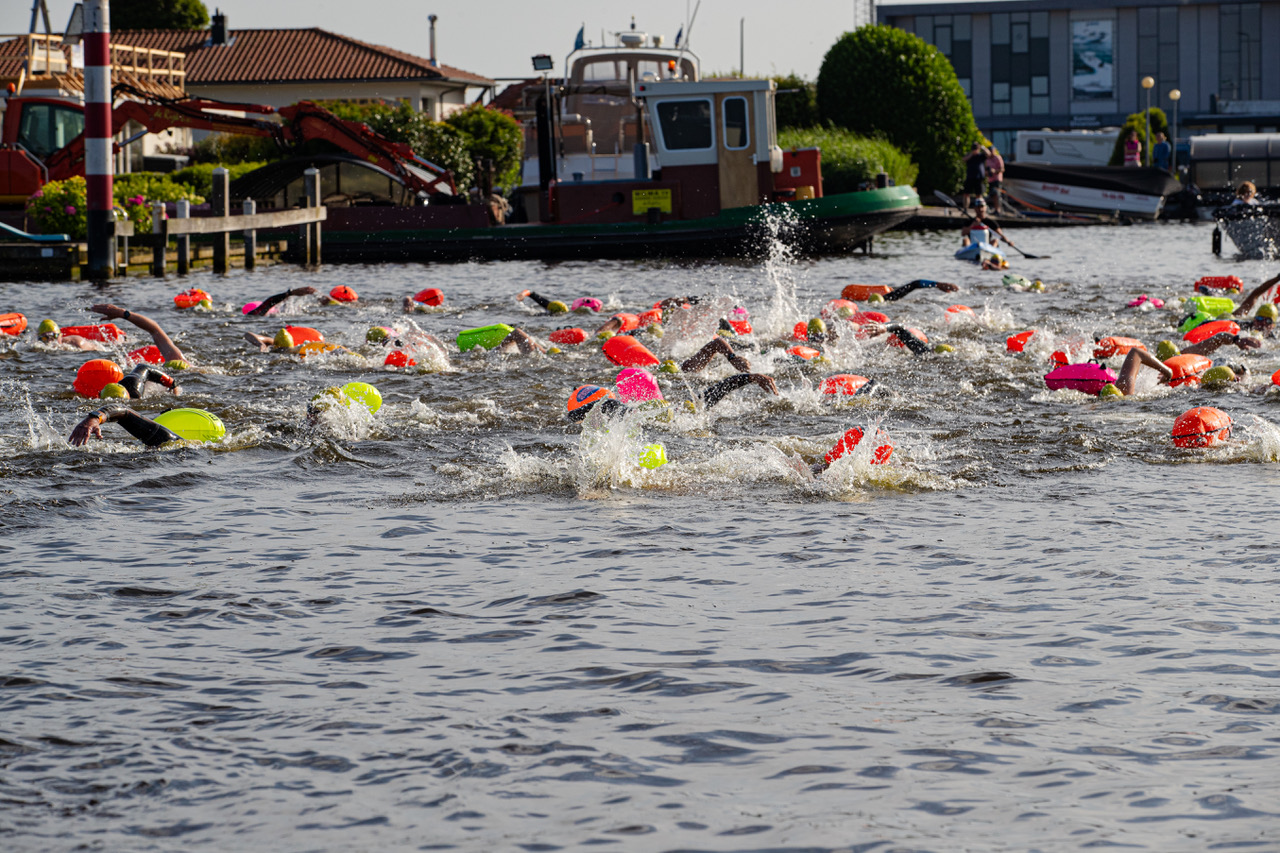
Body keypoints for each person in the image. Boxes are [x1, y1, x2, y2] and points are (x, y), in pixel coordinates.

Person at [1111, 332, 1260, 396]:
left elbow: (1136, 352)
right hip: (1194, 380)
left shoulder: (1124, 391)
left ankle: (1242, 373)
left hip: (1193, 375)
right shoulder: (1127, 391)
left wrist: (1236, 340)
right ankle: (1244, 374)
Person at [68, 406, 224, 447]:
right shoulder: (168, 440)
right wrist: (95, 418)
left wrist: (94, 418)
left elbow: (124, 411)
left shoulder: (169, 442)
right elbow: (123, 411)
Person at [90, 304, 187, 363]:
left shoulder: (181, 364)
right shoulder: (179, 361)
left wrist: (122, 313)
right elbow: (154, 329)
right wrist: (123, 313)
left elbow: (154, 329)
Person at [35, 319, 106, 351]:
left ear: (60, 335)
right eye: (45, 338)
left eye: (54, 337)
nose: (50, 341)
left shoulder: (76, 344)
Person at [243, 286, 318, 316]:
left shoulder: (276, 312)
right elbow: (269, 303)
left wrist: (290, 293)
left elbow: (269, 303)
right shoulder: (253, 315)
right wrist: (290, 293)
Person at [961, 142, 987, 211]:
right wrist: (971, 155)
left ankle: (980, 209)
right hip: (970, 177)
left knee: (978, 194)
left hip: (978, 178)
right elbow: (963, 159)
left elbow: (989, 154)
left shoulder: (980, 156)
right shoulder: (969, 155)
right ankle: (965, 209)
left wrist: (983, 148)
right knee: (966, 193)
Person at [984, 146, 1006, 213]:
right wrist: (987, 173)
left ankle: (998, 210)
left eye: (991, 150)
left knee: (997, 195)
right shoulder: (987, 159)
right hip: (990, 179)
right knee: (993, 195)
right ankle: (996, 209)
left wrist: (995, 171)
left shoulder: (997, 157)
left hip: (997, 179)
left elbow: (1002, 169)